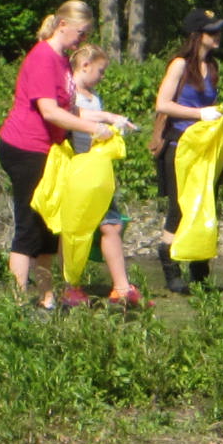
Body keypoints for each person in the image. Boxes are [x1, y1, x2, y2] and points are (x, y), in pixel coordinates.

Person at [0, 0, 132, 309]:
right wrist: (91, 130)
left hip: (50, 151)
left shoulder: (61, 59)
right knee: (30, 224)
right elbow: (50, 112)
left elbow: (70, 107)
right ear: (62, 26)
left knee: (49, 224)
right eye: (81, 33)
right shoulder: (43, 57)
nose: (83, 40)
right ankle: (16, 304)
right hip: (25, 147)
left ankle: (47, 299)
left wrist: (105, 117)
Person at [151, 9, 223, 296]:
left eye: (218, 30)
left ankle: (200, 271)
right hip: (179, 145)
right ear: (197, 36)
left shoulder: (213, 66)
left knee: (203, 204)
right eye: (212, 31)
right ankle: (170, 267)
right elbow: (163, 104)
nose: (217, 36)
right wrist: (199, 114)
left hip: (204, 148)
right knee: (180, 208)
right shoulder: (180, 65)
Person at [66, 41, 143, 308]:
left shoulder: (93, 95)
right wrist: (107, 117)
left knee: (112, 224)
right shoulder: (69, 91)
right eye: (100, 71)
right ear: (84, 66)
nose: (102, 77)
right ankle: (70, 286)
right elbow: (72, 114)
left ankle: (122, 288)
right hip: (75, 169)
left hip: (97, 171)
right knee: (75, 229)